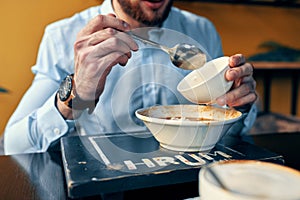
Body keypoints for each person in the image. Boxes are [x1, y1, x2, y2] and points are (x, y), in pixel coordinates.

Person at [3, 0, 257, 155]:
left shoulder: (201, 30)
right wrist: (78, 96)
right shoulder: (63, 36)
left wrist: (238, 106)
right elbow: (17, 145)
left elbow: (223, 126)